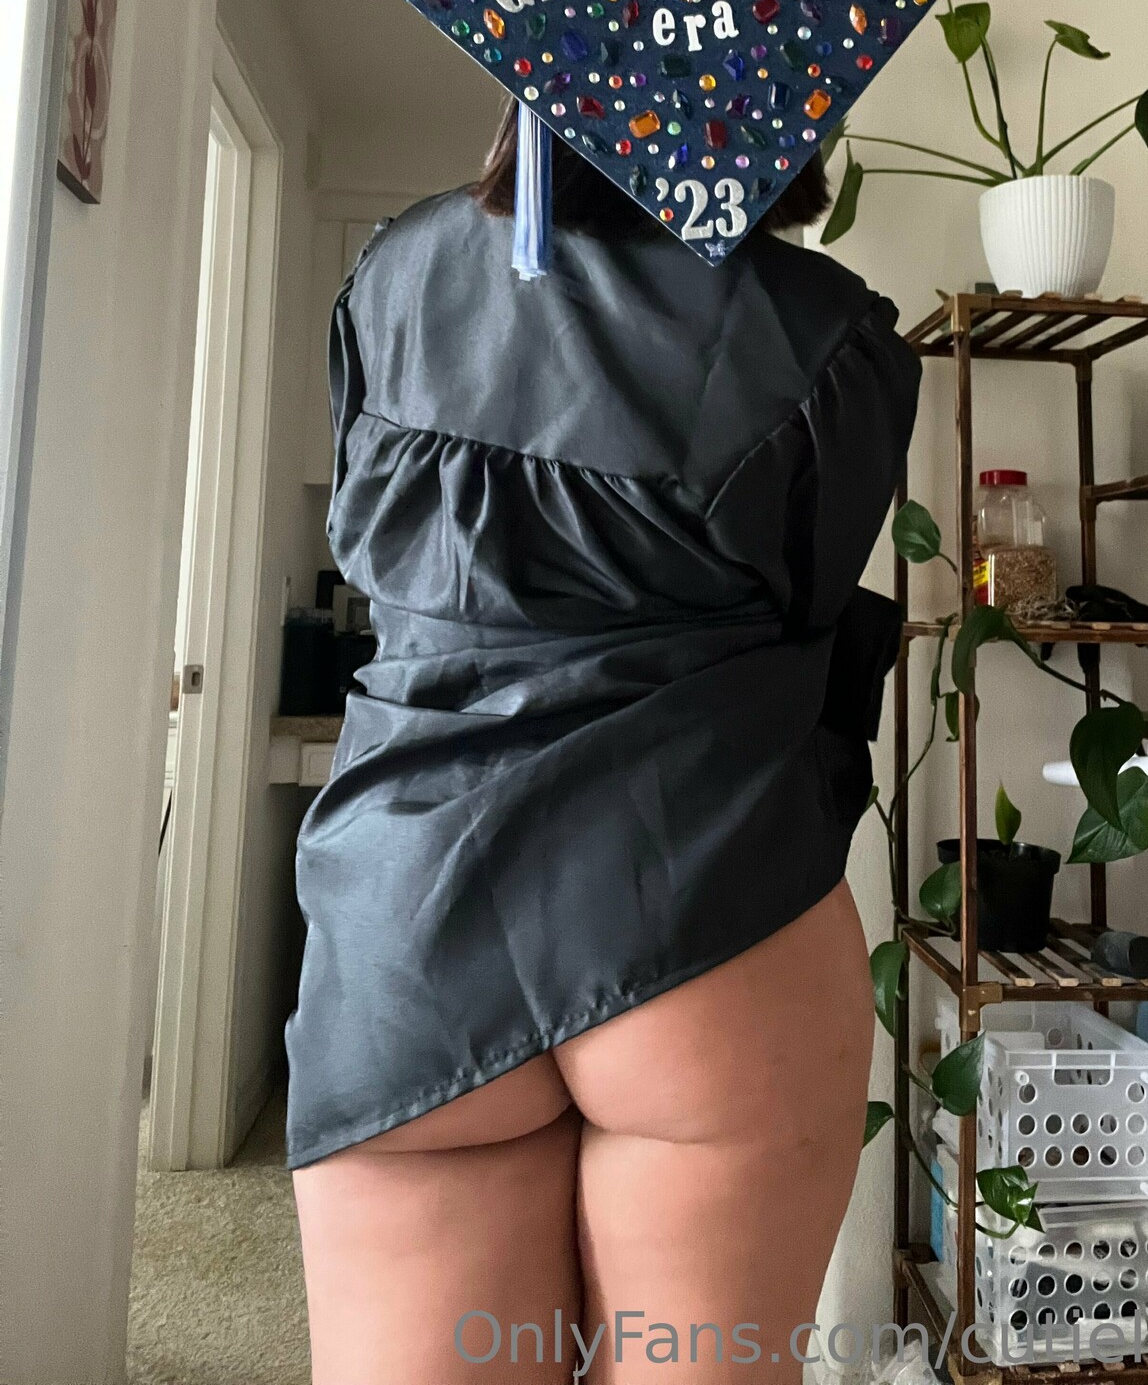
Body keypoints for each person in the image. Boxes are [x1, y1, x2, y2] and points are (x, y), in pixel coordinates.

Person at [285, 104, 921, 1384]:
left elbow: (372, 543)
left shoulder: (392, 273)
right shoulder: (831, 332)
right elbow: (810, 604)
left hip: (413, 922)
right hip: (712, 906)